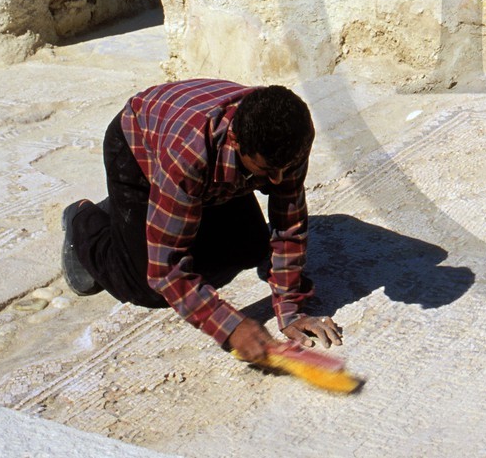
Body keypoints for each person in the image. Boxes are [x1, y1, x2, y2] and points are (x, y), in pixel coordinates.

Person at [61, 80, 342, 362]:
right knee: (149, 289)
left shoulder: (290, 139)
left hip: (196, 160)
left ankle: (161, 208)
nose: (278, 181)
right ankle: (85, 220)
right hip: (139, 146)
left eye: (285, 169)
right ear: (236, 140)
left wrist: (291, 310)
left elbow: (288, 227)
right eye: (266, 170)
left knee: (252, 249)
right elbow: (165, 269)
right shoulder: (188, 156)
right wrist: (230, 327)